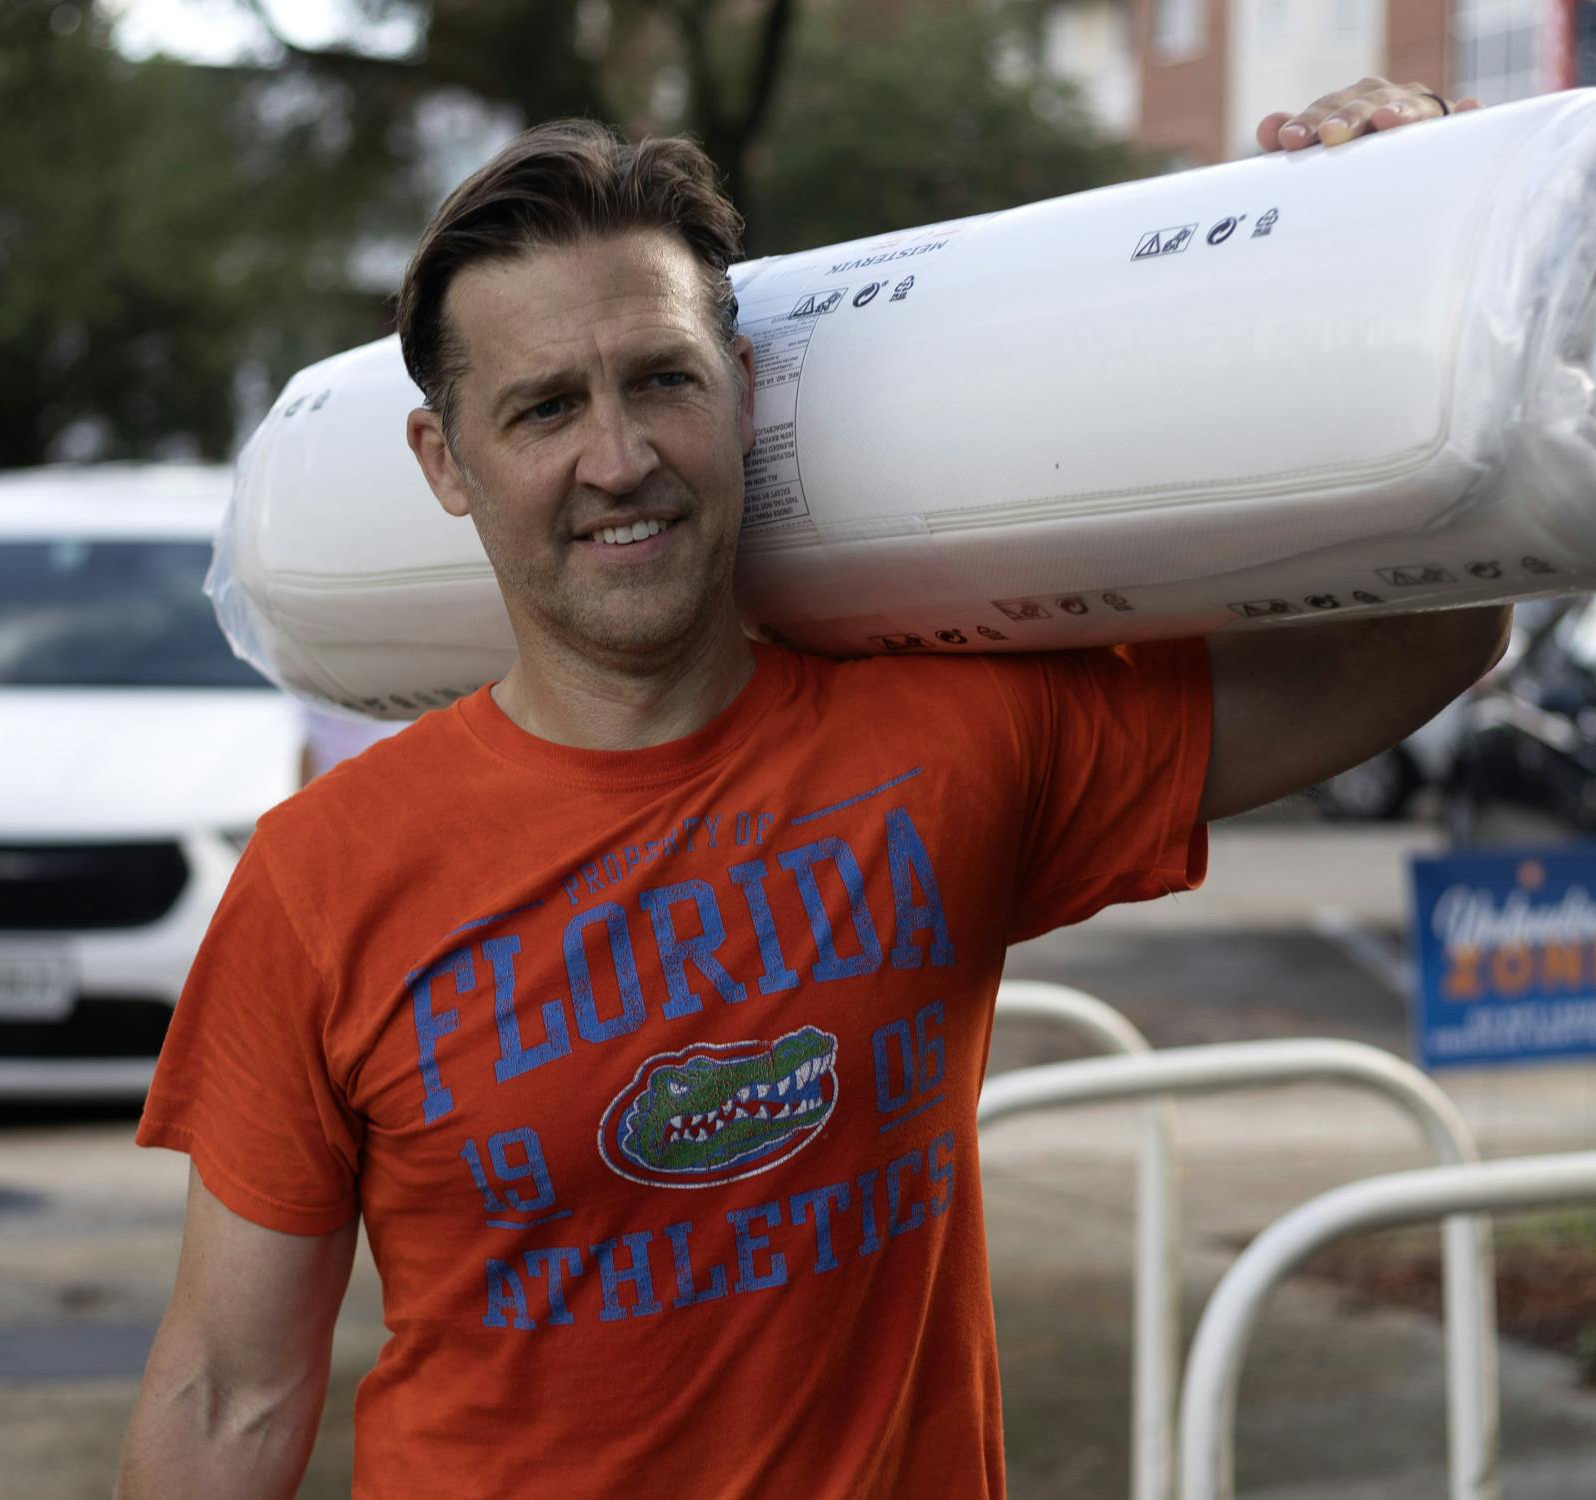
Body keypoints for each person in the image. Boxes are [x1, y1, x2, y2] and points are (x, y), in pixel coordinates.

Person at [116, 77, 1500, 1500]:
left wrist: (1411, 223)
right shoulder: (321, 879)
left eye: (662, 378)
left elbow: (1430, 639)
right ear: (446, 462)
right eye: (544, 409)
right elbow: (228, 1392)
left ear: (742, 389)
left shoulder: (948, 741)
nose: (620, 458)